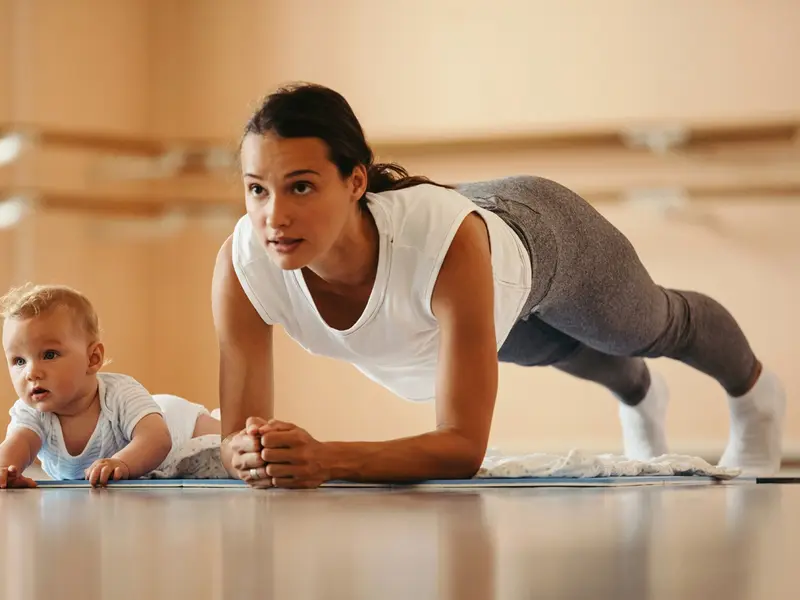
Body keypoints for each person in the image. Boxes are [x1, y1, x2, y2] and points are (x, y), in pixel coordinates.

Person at [213, 82, 786, 489]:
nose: (274, 217)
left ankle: (757, 397)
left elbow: (462, 446)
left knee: (644, 327)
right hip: (465, 273)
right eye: (257, 189)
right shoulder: (244, 266)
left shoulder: (443, 247)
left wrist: (326, 459)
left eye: (301, 187)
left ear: (356, 181)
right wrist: (248, 452)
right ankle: (640, 397)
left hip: (540, 233)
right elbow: (233, 437)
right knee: (558, 350)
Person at [0, 283, 220, 488]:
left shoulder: (119, 393)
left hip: (176, 425)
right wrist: (5, 470)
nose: (31, 373)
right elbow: (19, 444)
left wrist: (122, 463)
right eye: (19, 361)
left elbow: (157, 439)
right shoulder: (31, 412)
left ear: (92, 358)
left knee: (227, 442)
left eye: (49, 355)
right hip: (153, 467)